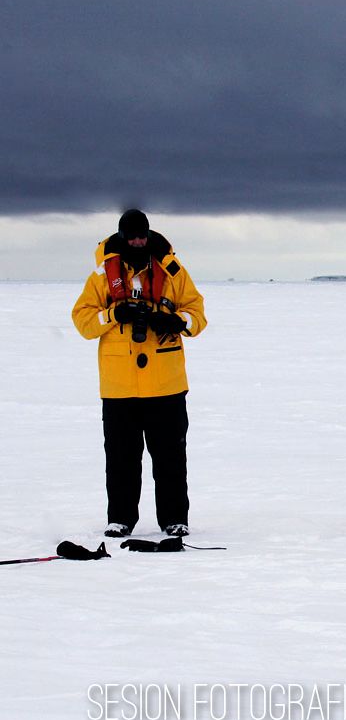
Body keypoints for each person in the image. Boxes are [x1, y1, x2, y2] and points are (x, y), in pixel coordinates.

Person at [72, 209, 207, 538]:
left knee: (171, 457)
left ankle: (175, 519)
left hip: (166, 384)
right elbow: (83, 321)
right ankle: (120, 519)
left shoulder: (173, 271)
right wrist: (114, 314)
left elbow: (198, 315)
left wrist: (176, 321)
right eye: (131, 236)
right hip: (119, 386)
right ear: (121, 237)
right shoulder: (102, 276)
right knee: (121, 459)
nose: (137, 242)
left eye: (141, 236)